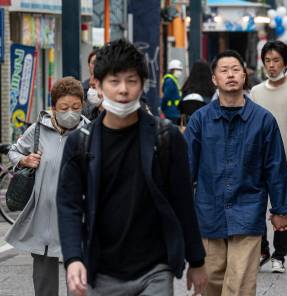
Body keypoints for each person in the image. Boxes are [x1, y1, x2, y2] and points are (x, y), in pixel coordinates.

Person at [57, 39, 207, 296]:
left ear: (142, 85)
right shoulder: (80, 142)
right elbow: (69, 203)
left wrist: (197, 260)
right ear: (98, 85)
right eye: (114, 81)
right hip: (100, 271)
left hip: (155, 270)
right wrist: (73, 259)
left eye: (132, 81)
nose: (123, 90)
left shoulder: (167, 138)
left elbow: (182, 200)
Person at [185, 50, 287, 296]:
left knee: (239, 285)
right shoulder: (200, 120)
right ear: (214, 79)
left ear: (245, 76)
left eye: (236, 69)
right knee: (210, 281)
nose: (230, 75)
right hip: (208, 212)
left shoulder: (263, 120)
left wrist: (281, 210)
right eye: (224, 70)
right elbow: (185, 169)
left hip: (248, 211)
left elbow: (275, 168)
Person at [5, 77, 89, 296]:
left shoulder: (90, 133)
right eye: (64, 107)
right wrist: (24, 160)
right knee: (44, 284)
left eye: (76, 107)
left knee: (79, 284)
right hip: (43, 217)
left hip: (78, 217)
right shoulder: (37, 130)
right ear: (54, 108)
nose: (70, 112)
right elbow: (14, 150)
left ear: (83, 105)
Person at [250, 41, 287, 273]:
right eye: (267, 61)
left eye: (276, 60)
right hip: (258, 160)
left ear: (285, 62)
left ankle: (279, 255)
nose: (271, 65)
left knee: (282, 208)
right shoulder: (256, 92)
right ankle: (263, 249)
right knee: (256, 206)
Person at [161, 59, 183, 124]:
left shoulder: (173, 80)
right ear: (172, 70)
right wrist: (163, 108)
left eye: (180, 70)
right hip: (171, 112)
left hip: (174, 111)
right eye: (178, 70)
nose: (180, 72)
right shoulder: (170, 81)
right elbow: (166, 97)